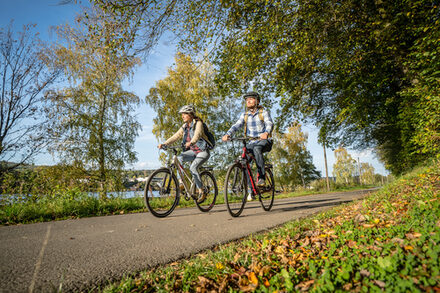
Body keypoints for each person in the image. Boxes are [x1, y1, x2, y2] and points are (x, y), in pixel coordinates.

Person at [222, 91, 274, 187]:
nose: (248, 101)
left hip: (264, 141)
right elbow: (236, 125)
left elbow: (269, 123)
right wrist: (228, 134)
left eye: (251, 99)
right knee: (243, 161)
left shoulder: (264, 112)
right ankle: (251, 189)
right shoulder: (245, 115)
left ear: (257, 101)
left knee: (257, 148)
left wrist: (266, 133)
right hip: (251, 142)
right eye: (247, 99)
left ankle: (262, 178)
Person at [158, 105, 211, 198]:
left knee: (193, 168)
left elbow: (197, 135)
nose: (182, 116)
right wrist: (164, 144)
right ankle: (181, 182)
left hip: (203, 151)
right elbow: (176, 136)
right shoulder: (185, 126)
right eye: (182, 114)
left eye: (184, 114)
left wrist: (191, 142)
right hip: (193, 152)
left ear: (190, 114)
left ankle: (201, 191)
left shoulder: (198, 123)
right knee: (179, 158)